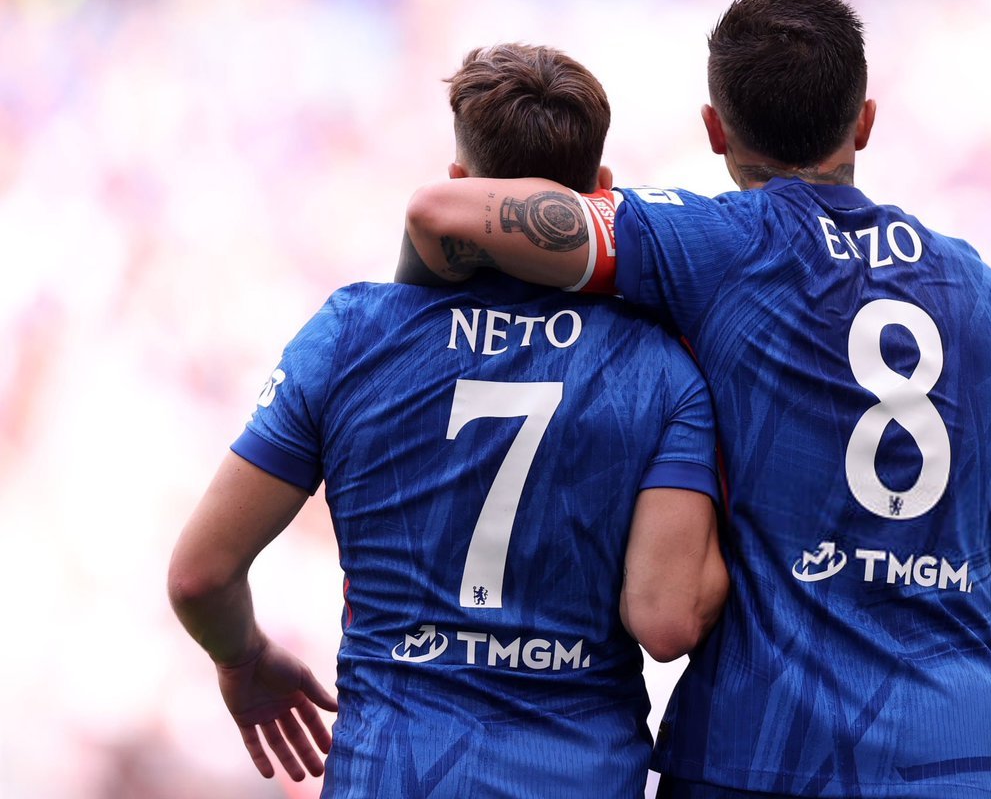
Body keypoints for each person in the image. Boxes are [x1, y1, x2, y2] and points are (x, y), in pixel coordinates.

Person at [398, 0, 991, 799]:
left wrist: (408, 334)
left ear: (714, 130)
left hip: (766, 745)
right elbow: (988, 540)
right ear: (864, 121)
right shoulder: (978, 288)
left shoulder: (720, 243)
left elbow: (444, 211)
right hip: (954, 751)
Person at [168, 43, 728, 799]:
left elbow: (199, 576)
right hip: (576, 776)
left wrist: (243, 660)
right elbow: (666, 621)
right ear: (599, 191)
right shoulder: (659, 367)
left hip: (390, 770)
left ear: (461, 182)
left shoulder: (350, 334)